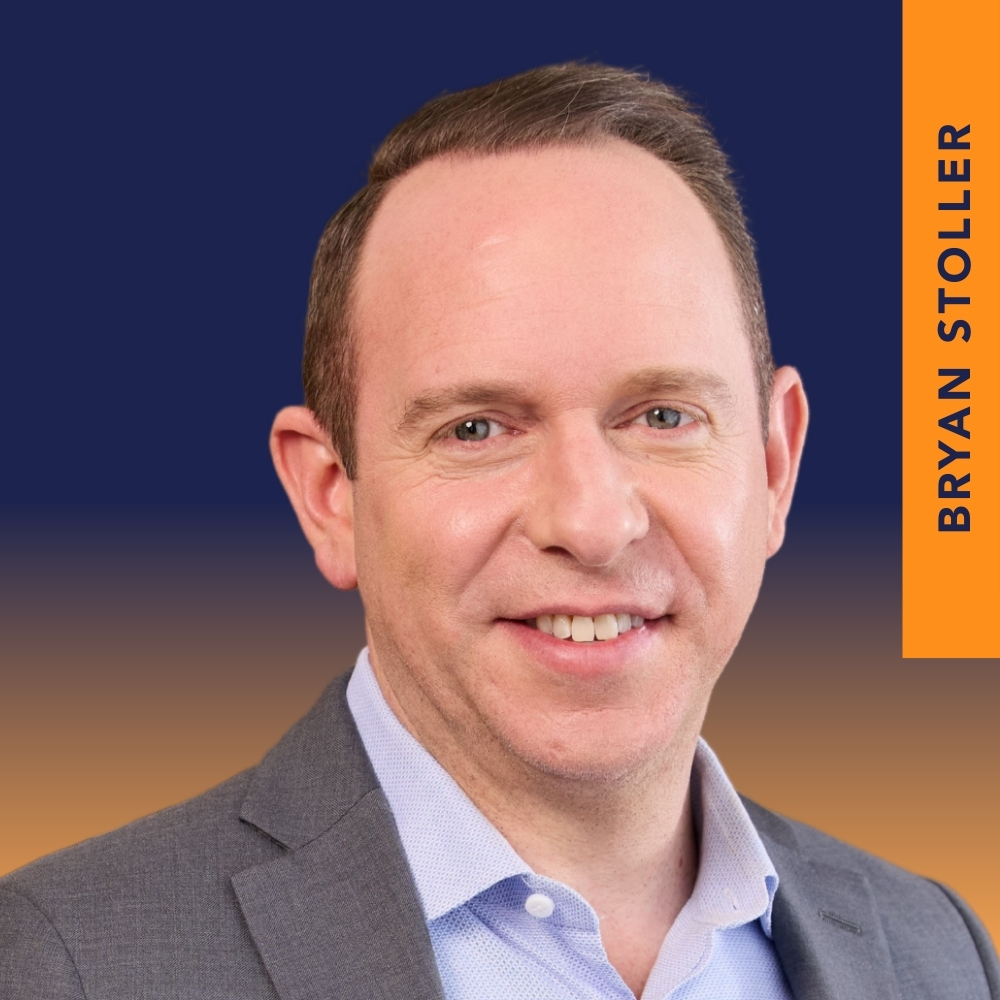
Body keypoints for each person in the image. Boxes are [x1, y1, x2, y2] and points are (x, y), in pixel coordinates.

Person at [1, 62, 996, 1000]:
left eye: (661, 416)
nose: (592, 522)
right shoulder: (68, 964)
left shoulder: (939, 952)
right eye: (476, 428)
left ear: (774, 464)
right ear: (329, 495)